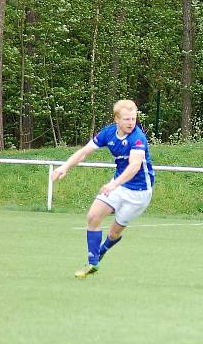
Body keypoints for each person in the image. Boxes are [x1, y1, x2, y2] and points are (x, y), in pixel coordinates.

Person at [51, 99, 155, 279]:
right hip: (118, 185)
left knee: (114, 233)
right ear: (116, 119)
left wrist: (113, 184)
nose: (131, 123)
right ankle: (93, 263)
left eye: (133, 119)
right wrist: (64, 167)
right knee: (93, 216)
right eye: (127, 119)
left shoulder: (138, 138)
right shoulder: (108, 133)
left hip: (139, 193)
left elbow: (134, 167)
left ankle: (103, 249)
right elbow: (84, 152)